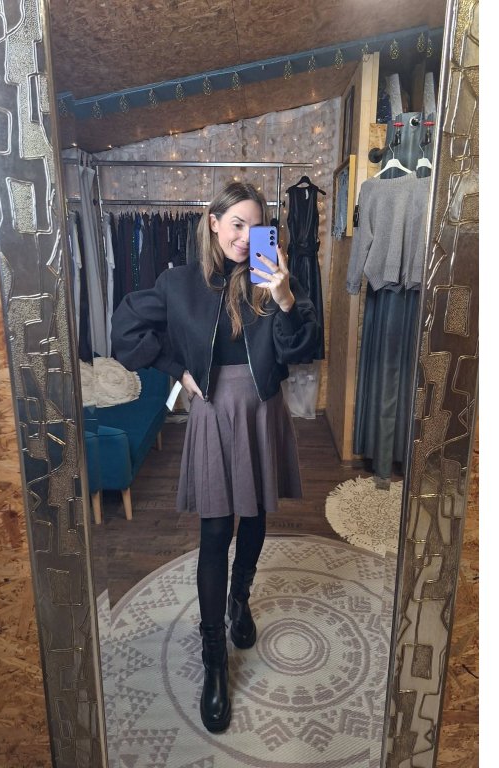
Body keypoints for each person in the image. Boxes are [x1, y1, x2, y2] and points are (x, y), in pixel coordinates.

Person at [110, 181, 320, 733]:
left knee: (256, 516)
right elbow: (125, 327)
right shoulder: (179, 284)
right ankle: (214, 661)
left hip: (262, 412)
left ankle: (239, 600)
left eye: (256, 227)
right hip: (212, 412)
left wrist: (285, 299)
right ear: (213, 223)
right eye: (236, 225)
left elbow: (301, 349)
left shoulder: (272, 280)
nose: (245, 238)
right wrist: (176, 370)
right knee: (215, 531)